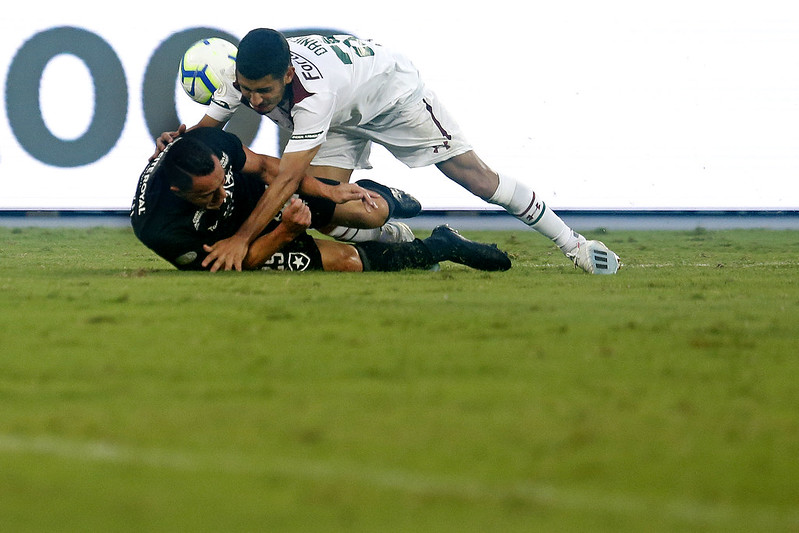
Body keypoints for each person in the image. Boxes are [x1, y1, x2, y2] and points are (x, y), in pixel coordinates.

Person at [155, 29, 620, 274]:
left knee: (474, 177)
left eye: (264, 91)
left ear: (288, 76)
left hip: (393, 95)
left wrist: (241, 240)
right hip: (344, 112)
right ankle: (406, 237)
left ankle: (574, 245)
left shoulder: (312, 96)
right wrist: (176, 145)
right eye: (246, 91)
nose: (254, 101)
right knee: (317, 210)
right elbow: (203, 136)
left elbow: (288, 178)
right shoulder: (242, 78)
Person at [132, 127, 511, 273]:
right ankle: (442, 246)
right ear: (176, 191)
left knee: (370, 214)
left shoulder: (207, 144)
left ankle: (385, 202)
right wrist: (284, 232)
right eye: (208, 194)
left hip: (266, 199)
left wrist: (328, 190)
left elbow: (265, 167)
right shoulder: (159, 228)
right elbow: (233, 263)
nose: (223, 194)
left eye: (222, 181)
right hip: (239, 238)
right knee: (346, 262)